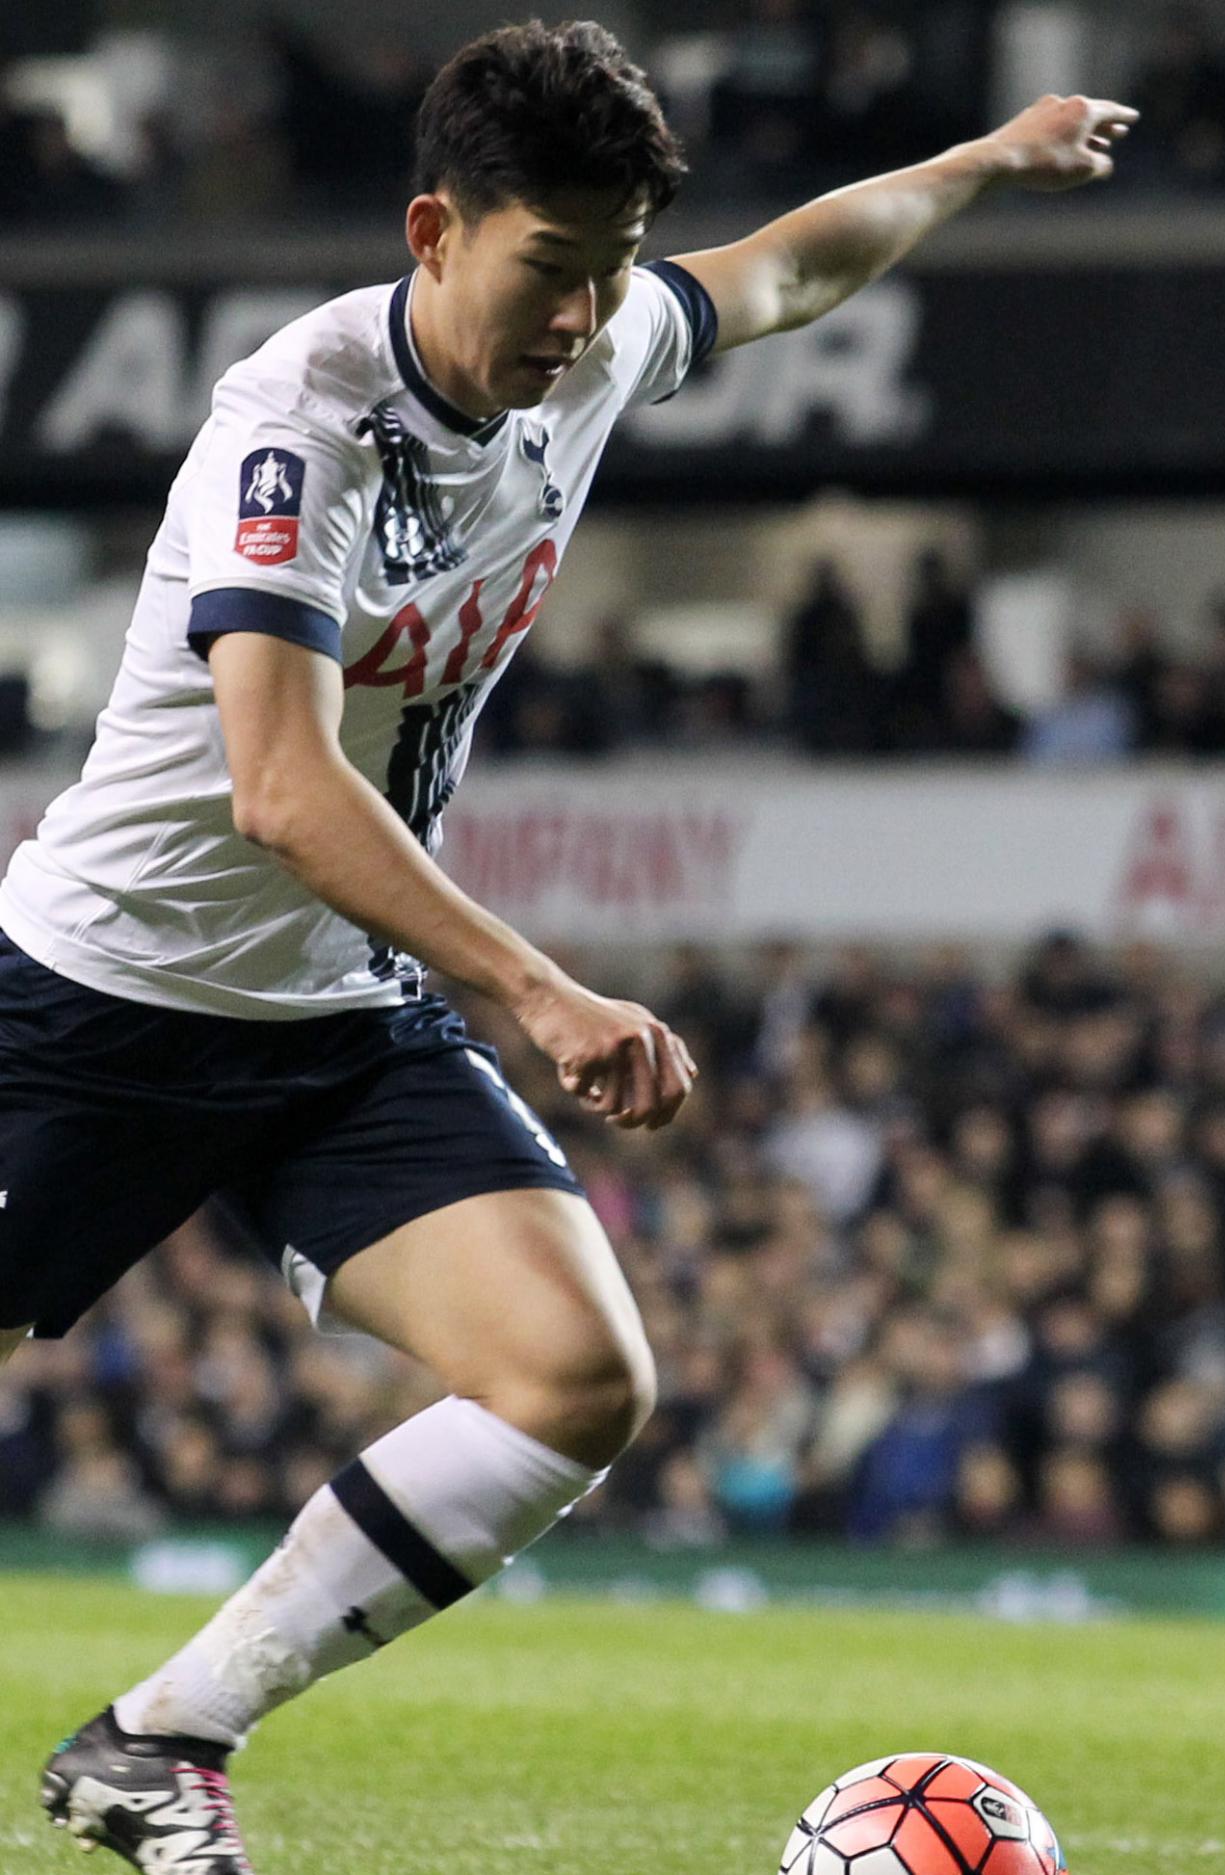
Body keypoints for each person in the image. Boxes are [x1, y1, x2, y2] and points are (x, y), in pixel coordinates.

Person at [2, 23, 1131, 1874]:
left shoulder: (592, 348)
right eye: (552, 267)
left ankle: (162, 1738)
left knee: (574, 1379)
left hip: (333, 1018)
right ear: (435, 229)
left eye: (613, 269)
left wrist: (991, 157)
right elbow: (279, 787)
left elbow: (794, 264)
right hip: (96, 1004)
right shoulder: (293, 429)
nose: (586, 314)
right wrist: (535, 984)